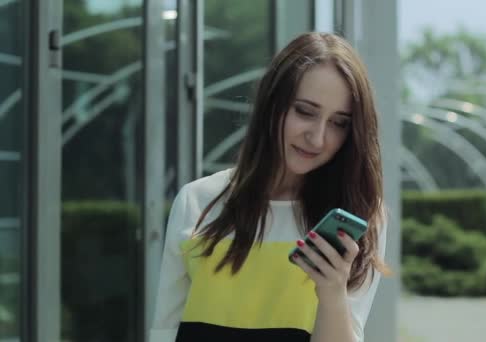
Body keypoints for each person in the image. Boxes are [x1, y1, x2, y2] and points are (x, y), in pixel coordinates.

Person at [150, 31, 389, 342]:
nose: (317, 138)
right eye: (305, 111)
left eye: (339, 122)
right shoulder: (197, 201)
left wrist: (332, 293)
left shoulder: (361, 214)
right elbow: (165, 331)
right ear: (271, 104)